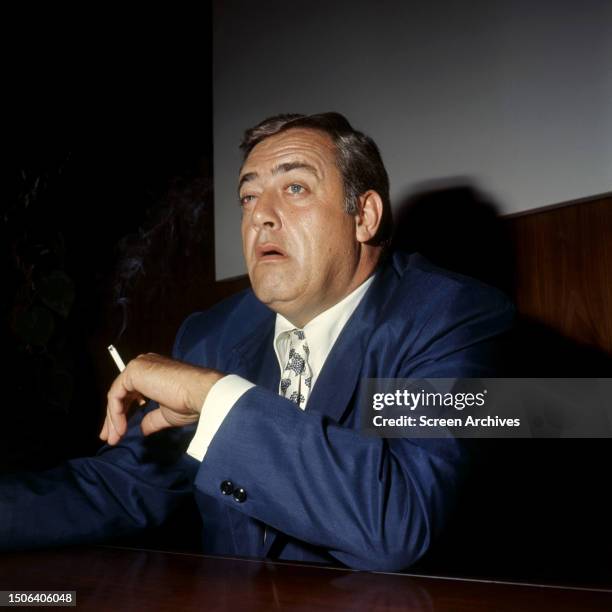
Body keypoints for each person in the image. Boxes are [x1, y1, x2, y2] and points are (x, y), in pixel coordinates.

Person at [0, 112, 513, 571]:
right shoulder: (213, 334)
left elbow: (400, 523)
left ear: (365, 216)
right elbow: (118, 487)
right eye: (248, 196)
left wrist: (214, 396)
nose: (259, 215)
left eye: (295, 188)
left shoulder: (454, 318)